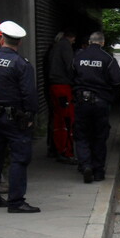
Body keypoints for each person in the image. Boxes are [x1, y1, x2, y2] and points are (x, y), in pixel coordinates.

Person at [0, 20, 40, 213]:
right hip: (16, 119)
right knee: (19, 158)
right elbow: (29, 94)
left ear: (3, 38)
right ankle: (15, 202)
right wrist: (31, 116)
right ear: (19, 42)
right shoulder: (21, 65)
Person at [71, 31, 120, 183]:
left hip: (81, 101)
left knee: (81, 136)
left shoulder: (78, 57)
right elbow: (117, 80)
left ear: (89, 41)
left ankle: (86, 165)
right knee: (99, 136)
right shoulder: (107, 58)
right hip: (100, 102)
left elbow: (70, 76)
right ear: (102, 42)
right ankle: (98, 171)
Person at [46, 29, 77, 163]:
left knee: (57, 118)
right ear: (71, 37)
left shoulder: (54, 48)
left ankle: (55, 148)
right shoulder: (65, 46)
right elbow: (71, 66)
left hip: (53, 86)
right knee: (67, 120)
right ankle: (65, 151)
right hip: (63, 87)